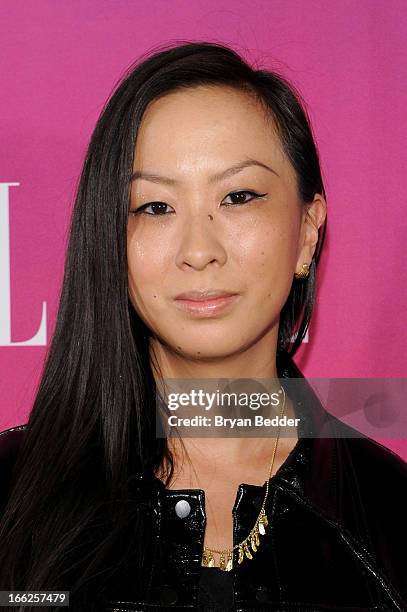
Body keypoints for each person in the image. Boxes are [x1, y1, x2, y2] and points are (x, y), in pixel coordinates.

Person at [0, 41, 406, 612]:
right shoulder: (10, 496)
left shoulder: (392, 514)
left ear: (308, 233)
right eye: (155, 207)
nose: (198, 251)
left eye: (238, 197)